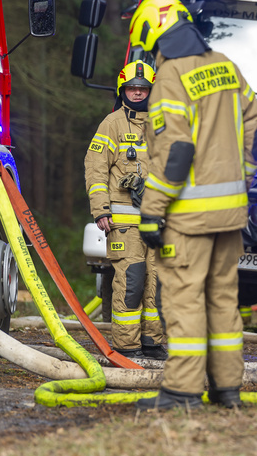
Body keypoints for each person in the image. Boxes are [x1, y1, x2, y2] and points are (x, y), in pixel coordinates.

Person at [132, 0, 257, 410]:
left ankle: (183, 391)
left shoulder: (171, 76)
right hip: (230, 216)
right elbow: (256, 126)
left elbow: (175, 152)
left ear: (154, 32)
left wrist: (153, 211)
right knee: (224, 299)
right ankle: (227, 390)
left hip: (187, 220)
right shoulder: (226, 66)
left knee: (183, 299)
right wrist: (239, 176)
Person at [84, 60, 166, 360]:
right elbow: (95, 169)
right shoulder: (112, 124)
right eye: (131, 88)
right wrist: (101, 210)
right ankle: (126, 346)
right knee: (131, 282)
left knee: (157, 286)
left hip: (159, 223)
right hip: (124, 223)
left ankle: (152, 342)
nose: (137, 93)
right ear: (123, 90)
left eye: (143, 88)